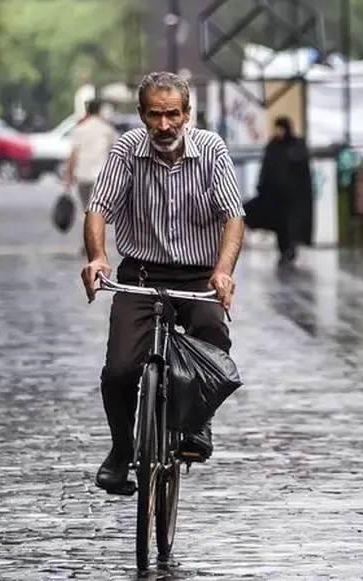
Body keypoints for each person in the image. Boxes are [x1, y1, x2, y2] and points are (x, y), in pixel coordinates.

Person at [79, 71, 245, 495]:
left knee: (211, 340)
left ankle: (197, 424)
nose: (165, 125)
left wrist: (223, 271)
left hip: (199, 275)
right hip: (142, 275)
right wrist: (98, 257)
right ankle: (121, 451)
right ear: (142, 115)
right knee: (119, 370)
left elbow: (233, 216)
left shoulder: (211, 149)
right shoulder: (127, 151)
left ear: (187, 114)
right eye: (156, 115)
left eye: (173, 114)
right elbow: (98, 209)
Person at [256, 116, 313, 266]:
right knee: (280, 226)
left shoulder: (297, 145)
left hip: (295, 197)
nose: (279, 132)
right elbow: (266, 169)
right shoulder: (273, 146)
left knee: (292, 226)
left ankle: (290, 249)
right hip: (276, 197)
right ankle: (284, 250)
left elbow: (303, 170)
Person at [64, 99, 119, 208]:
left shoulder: (80, 129)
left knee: (86, 209)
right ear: (100, 111)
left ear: (88, 111)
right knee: (98, 211)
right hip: (100, 178)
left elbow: (73, 155)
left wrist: (69, 178)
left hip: (82, 177)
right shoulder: (107, 130)